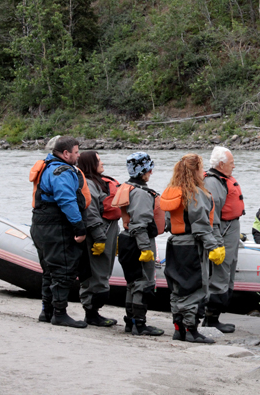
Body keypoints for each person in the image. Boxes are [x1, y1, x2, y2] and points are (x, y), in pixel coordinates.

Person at [161, 154, 226, 343]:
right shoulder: (196, 193)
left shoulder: (172, 191)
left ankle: (178, 328)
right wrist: (214, 246)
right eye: (201, 168)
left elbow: (166, 223)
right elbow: (201, 225)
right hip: (192, 246)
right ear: (196, 170)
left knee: (177, 288)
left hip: (174, 244)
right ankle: (191, 330)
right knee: (195, 287)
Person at [29, 136, 91, 328]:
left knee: (49, 270)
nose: (78, 155)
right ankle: (59, 313)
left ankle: (46, 311)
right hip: (55, 227)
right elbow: (66, 200)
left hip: (41, 225)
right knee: (63, 271)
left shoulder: (48, 166)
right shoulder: (61, 171)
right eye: (76, 152)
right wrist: (79, 226)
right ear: (65, 153)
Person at [112, 152, 165, 336]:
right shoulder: (141, 194)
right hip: (138, 242)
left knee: (132, 283)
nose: (151, 171)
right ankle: (140, 324)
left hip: (127, 239)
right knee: (143, 283)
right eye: (149, 168)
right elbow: (140, 224)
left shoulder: (127, 188)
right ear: (143, 170)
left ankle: (131, 322)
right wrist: (145, 249)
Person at [201, 146, 245, 333]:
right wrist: (217, 241)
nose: (234, 167)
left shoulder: (222, 180)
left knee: (228, 271)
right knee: (220, 273)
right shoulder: (213, 182)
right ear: (221, 164)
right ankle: (211, 318)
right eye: (231, 163)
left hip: (231, 228)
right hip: (224, 231)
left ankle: (214, 316)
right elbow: (212, 215)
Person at [77, 151, 120, 327]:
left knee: (104, 273)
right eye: (99, 161)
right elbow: (91, 211)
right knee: (96, 275)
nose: (102, 163)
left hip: (109, 232)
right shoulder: (87, 184)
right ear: (90, 164)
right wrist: (99, 237)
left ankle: (94, 312)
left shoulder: (99, 182)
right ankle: (91, 312)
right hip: (98, 235)